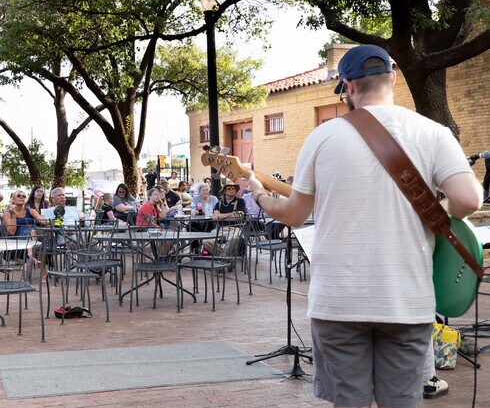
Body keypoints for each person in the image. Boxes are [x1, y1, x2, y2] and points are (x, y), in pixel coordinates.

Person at [248, 44, 482, 408]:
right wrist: (439, 208)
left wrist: (261, 196)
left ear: (348, 87)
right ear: (392, 79)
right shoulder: (433, 132)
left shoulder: (321, 137)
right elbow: (469, 200)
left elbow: (294, 215)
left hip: (339, 302)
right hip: (407, 301)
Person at [201, 182, 246, 255]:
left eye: (233, 188)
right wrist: (231, 214)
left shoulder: (240, 201)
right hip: (220, 229)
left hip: (235, 228)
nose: (231, 189)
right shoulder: (219, 203)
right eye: (229, 188)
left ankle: (224, 256)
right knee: (206, 241)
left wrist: (220, 216)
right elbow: (214, 217)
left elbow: (238, 217)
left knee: (234, 238)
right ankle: (224, 255)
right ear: (224, 191)